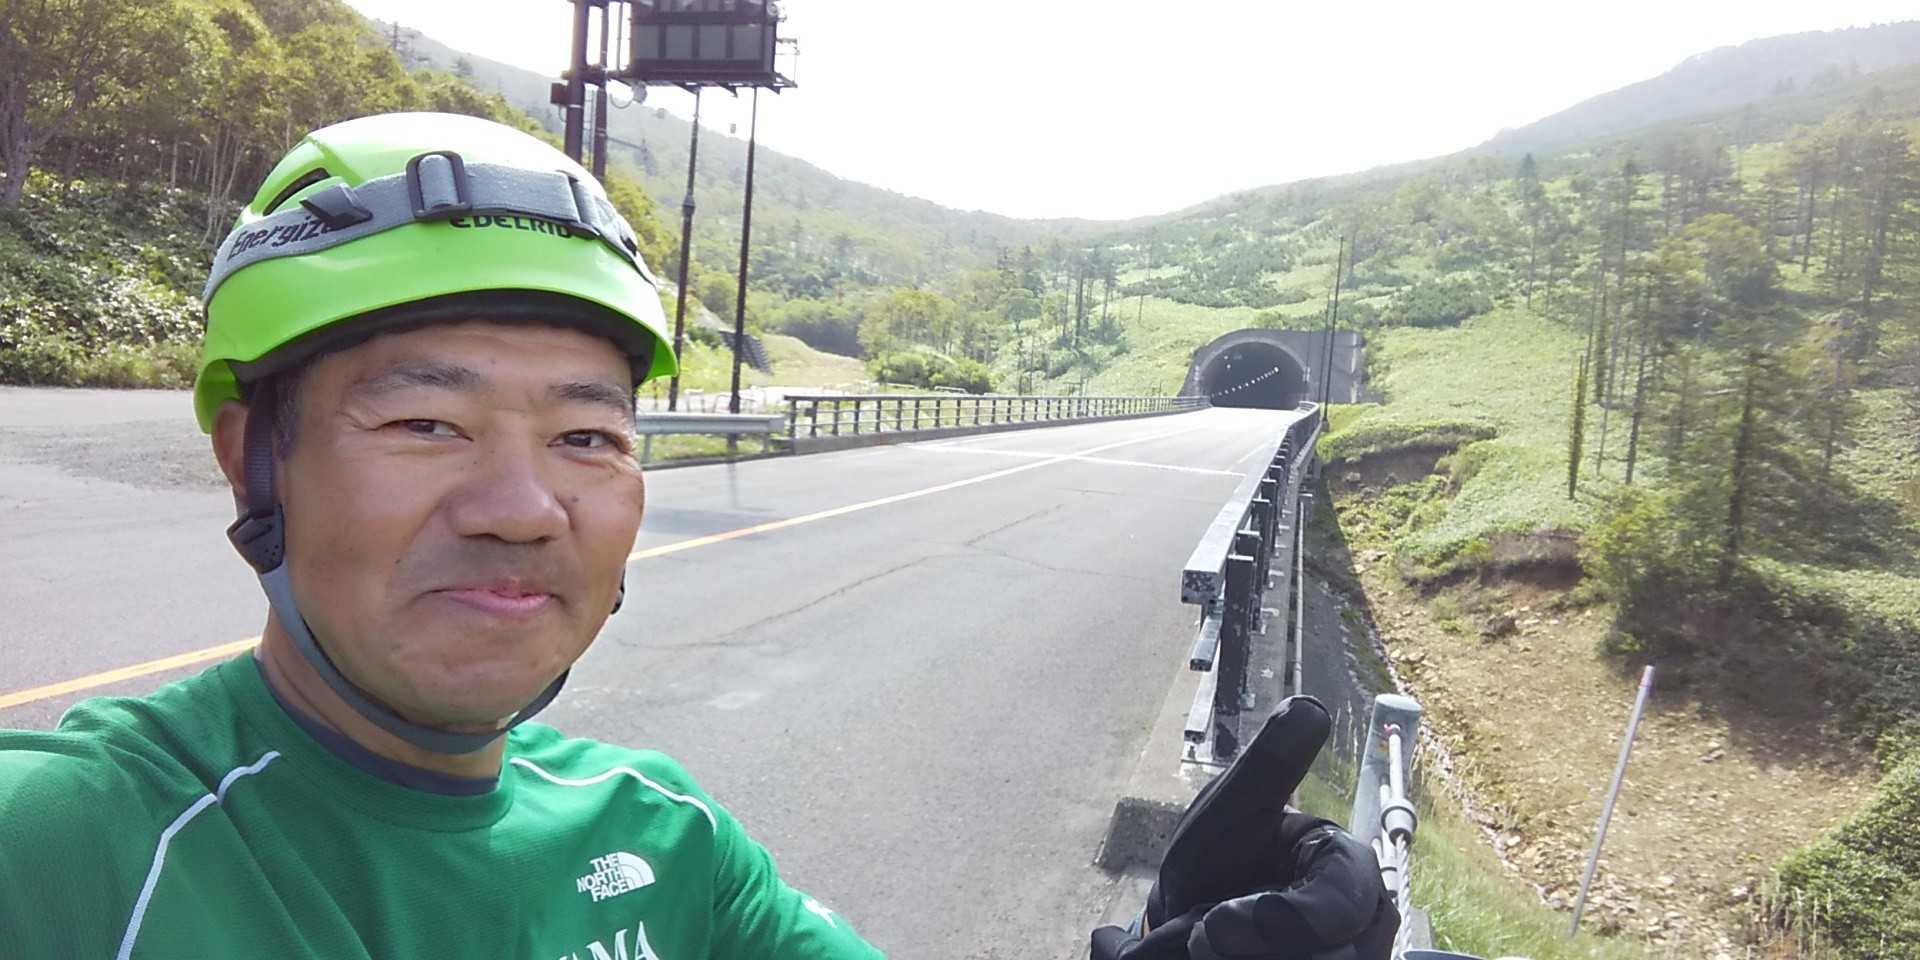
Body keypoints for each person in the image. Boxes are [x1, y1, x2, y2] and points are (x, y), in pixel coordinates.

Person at [0, 113, 1394, 959]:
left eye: (587, 437)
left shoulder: (666, 843)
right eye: (425, 422)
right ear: (255, 457)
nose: (522, 507)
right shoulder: (70, 847)